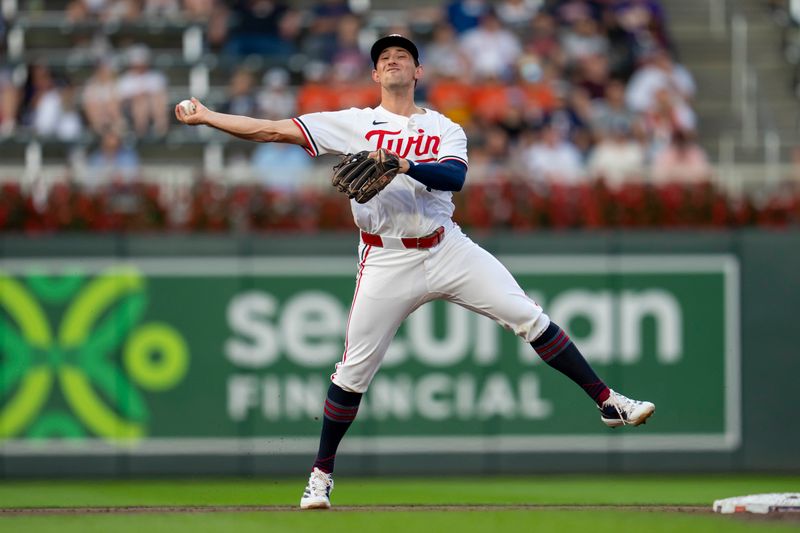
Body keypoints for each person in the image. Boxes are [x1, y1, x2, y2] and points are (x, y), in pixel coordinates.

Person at [175, 34, 655, 511]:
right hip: (385, 257)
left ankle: (607, 400)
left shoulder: (446, 128)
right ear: (374, 75)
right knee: (353, 371)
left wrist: (402, 162)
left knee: (529, 316)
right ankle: (320, 476)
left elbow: (455, 177)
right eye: (383, 58)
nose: (392, 61)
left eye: (401, 56)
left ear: (417, 71)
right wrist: (208, 116)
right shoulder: (354, 124)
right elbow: (271, 130)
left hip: (446, 246)